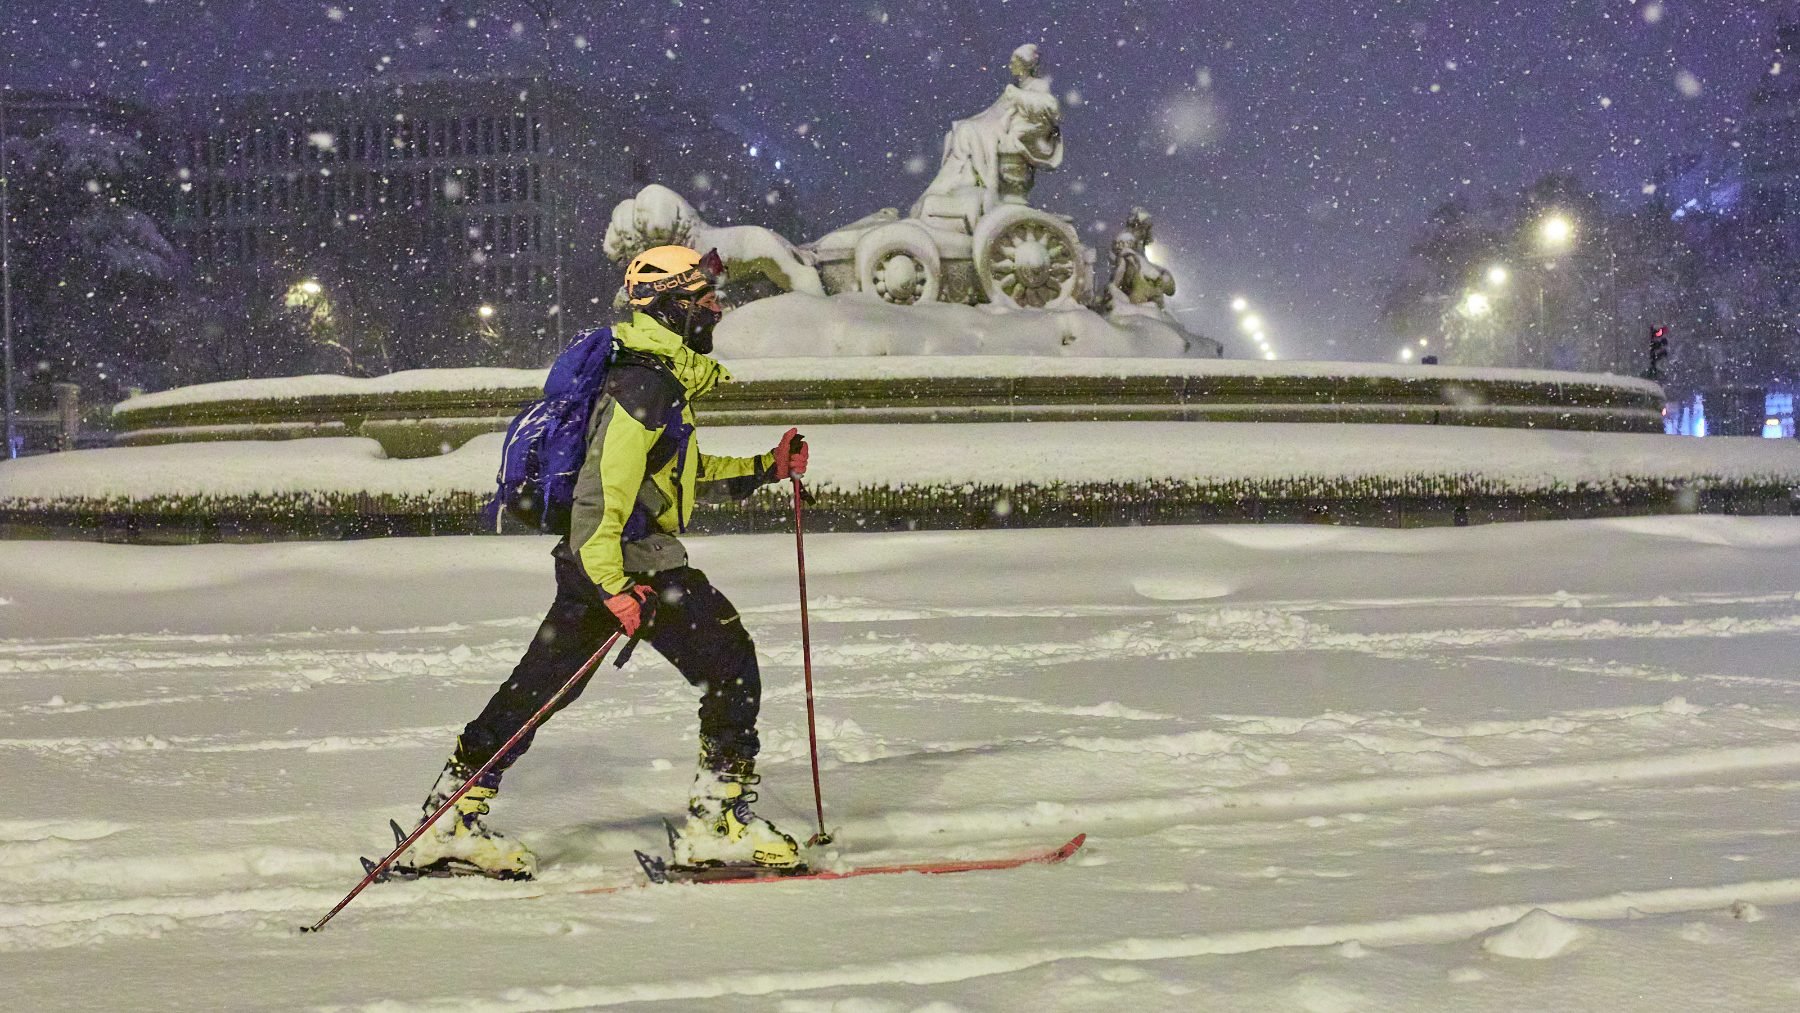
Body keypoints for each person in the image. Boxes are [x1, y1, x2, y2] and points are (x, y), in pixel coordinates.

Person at [400, 244, 810, 878]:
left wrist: (765, 468)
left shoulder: (652, 375)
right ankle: (718, 824)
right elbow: (600, 494)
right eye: (705, 300)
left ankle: (449, 819)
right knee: (730, 665)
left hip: (602, 564)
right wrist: (614, 586)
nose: (717, 310)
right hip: (633, 567)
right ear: (671, 307)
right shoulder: (644, 383)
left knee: (538, 690)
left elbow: (672, 476)